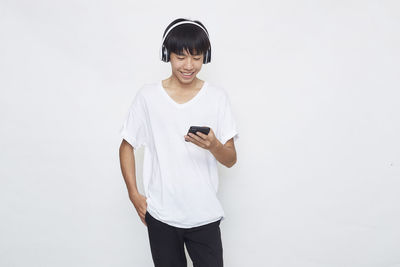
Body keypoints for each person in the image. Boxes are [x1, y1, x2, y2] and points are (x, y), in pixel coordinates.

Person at [119, 18, 239, 267]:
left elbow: (230, 159)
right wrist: (134, 194)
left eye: (196, 57)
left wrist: (213, 145)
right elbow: (126, 145)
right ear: (167, 54)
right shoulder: (148, 97)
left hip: (204, 215)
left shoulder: (217, 98)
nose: (189, 65)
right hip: (162, 215)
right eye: (181, 57)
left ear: (205, 57)